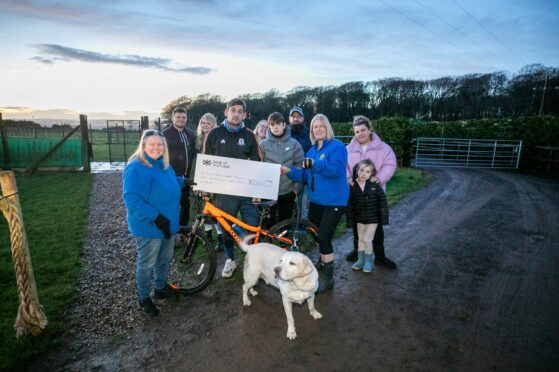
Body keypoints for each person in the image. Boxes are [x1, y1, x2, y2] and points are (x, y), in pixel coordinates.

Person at [281, 114, 349, 294]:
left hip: (334, 200)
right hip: (317, 200)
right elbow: (304, 176)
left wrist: (316, 164)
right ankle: (323, 258)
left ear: (327, 128)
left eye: (321, 126)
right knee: (316, 234)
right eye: (314, 127)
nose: (317, 129)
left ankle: (328, 277)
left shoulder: (337, 147)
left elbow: (337, 170)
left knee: (325, 236)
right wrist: (290, 171)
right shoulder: (311, 151)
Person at [122, 129, 184, 316]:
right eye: (152, 144)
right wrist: (157, 218)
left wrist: (186, 181)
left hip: (169, 223)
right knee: (147, 263)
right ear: (143, 145)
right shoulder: (136, 167)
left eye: (160, 144)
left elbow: (169, 183)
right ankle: (143, 298)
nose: (157, 147)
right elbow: (132, 200)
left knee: (164, 259)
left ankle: (160, 287)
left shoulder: (163, 164)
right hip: (150, 226)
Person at [203, 98, 262, 278]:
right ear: (226, 112)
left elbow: (258, 164)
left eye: (240, 111)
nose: (236, 114)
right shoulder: (214, 134)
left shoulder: (250, 135)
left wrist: (257, 190)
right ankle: (230, 260)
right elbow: (207, 161)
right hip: (224, 192)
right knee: (226, 226)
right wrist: (205, 187)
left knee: (252, 227)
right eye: (233, 110)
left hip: (246, 192)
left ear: (244, 114)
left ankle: (253, 259)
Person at [345, 115, 398, 269]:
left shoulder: (384, 148)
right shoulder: (348, 149)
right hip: (356, 194)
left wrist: (379, 178)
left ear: (369, 130)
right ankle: (357, 252)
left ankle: (380, 257)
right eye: (356, 131)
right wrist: (348, 177)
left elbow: (390, 164)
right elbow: (344, 167)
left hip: (374, 194)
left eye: (363, 130)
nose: (360, 134)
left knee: (376, 227)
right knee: (357, 225)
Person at [259, 112, 304, 228]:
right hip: (268, 192)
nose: (275, 127)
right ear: (269, 126)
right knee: (268, 225)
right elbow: (258, 168)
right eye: (272, 124)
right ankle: (268, 245)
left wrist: (296, 190)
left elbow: (300, 166)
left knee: (285, 224)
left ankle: (284, 245)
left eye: (278, 123)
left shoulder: (294, 144)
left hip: (288, 191)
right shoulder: (262, 145)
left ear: (284, 125)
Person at [348, 159, 389, 273]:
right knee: (360, 239)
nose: (363, 173)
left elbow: (383, 202)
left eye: (367, 171)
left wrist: (384, 218)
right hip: (359, 219)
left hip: (373, 219)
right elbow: (350, 204)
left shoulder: (375, 186)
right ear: (357, 170)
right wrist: (350, 220)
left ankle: (368, 261)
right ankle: (360, 260)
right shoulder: (353, 186)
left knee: (367, 239)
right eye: (361, 170)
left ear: (372, 174)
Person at [194, 113, 224, 250]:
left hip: (215, 177)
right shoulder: (198, 140)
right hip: (202, 177)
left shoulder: (218, 138)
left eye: (208, 123)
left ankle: (221, 238)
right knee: (204, 208)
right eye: (203, 123)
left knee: (216, 209)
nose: (205, 125)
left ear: (213, 124)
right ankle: (208, 237)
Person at [162, 107, 196, 228]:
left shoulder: (191, 134)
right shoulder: (165, 135)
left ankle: (183, 231)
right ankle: (170, 230)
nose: (181, 119)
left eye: (183, 117)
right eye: (178, 117)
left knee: (185, 205)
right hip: (171, 177)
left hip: (186, 178)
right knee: (171, 205)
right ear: (173, 118)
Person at [288, 106, 312, 220]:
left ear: (303, 118)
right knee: (288, 201)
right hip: (287, 173)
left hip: (305, 173)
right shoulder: (285, 132)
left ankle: (303, 227)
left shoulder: (310, 133)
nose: (296, 119)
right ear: (289, 119)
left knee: (303, 201)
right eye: (293, 117)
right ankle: (286, 226)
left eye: (298, 116)